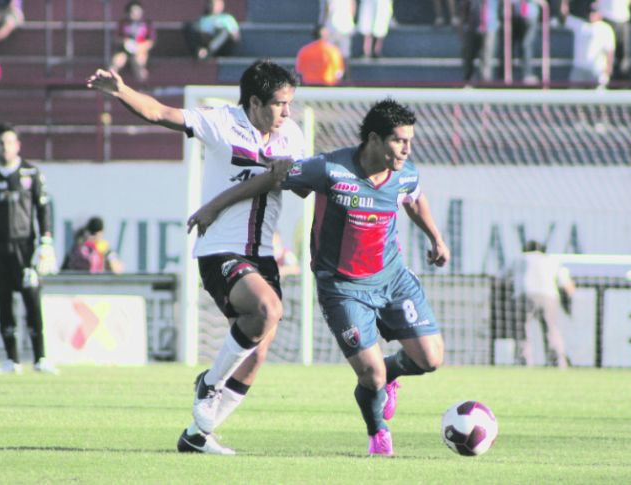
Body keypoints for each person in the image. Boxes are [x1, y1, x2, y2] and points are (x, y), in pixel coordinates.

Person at [189, 98, 449, 457]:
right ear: (374, 140)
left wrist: (436, 237)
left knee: (431, 358)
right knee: (369, 376)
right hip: (342, 288)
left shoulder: (406, 173)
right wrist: (214, 206)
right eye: (398, 141)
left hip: (392, 279)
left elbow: (414, 200)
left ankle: (389, 376)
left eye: (409, 141)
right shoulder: (330, 169)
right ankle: (378, 434)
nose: (407, 149)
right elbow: (271, 179)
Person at [87, 59, 306, 455]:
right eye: (280, 103)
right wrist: (120, 91)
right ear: (255, 102)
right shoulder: (220, 122)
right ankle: (209, 383)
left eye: (290, 103)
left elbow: (299, 186)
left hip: (263, 256)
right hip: (221, 248)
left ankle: (197, 436)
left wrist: (289, 175)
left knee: (257, 355)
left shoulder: (292, 135)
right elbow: (160, 113)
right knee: (267, 307)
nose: (287, 112)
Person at [0, 123, 60, 376]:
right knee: (4, 304)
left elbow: (43, 208)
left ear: (18, 145)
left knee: (32, 302)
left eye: (9, 142)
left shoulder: (31, 173)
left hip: (26, 248)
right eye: (1, 143)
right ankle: (11, 359)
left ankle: (40, 357)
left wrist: (45, 242)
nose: (5, 147)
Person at [509, 240, 575, 369]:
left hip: (524, 295)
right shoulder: (551, 260)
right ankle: (557, 363)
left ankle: (523, 363)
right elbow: (567, 284)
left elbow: (502, 276)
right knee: (551, 330)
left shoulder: (519, 259)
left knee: (522, 330)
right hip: (549, 296)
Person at [560, 0, 615, 88]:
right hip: (579, 68)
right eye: (590, 12)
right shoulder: (580, 25)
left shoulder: (606, 28)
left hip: (596, 70)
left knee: (598, 99)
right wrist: (564, 2)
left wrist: (607, 73)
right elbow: (564, 16)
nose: (591, 15)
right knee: (573, 98)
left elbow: (610, 52)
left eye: (594, 12)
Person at [110, 1, 155, 83]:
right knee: (117, 62)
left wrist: (139, 47)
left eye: (138, 11)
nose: (136, 14)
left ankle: (143, 87)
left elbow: (150, 41)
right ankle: (110, 82)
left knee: (139, 62)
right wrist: (124, 42)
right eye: (133, 12)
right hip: (124, 50)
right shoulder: (123, 23)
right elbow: (117, 38)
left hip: (140, 49)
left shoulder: (147, 24)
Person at [596, 0, 631, 81]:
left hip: (623, 20)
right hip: (606, 18)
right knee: (605, 54)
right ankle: (605, 80)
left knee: (623, 56)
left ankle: (622, 81)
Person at [458, 0, 500, 84]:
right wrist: (461, 28)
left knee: (486, 58)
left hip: (489, 27)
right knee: (468, 57)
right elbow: (463, 9)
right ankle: (468, 84)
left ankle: (485, 85)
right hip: (471, 27)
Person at [505, 0, 541, 84]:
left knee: (526, 45)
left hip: (531, 17)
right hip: (516, 17)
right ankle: (508, 74)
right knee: (510, 46)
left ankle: (528, 74)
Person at [319, 0, 356, 66]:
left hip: (334, 26)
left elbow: (325, 10)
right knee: (343, 54)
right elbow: (353, 7)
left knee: (333, 54)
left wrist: (322, 24)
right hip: (344, 26)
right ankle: (342, 74)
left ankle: (338, 73)